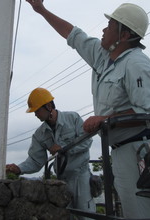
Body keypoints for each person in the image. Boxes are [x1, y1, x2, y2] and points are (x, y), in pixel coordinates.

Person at [25, 0, 150, 219]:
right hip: (118, 150)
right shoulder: (103, 56)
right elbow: (72, 34)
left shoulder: (137, 64)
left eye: (110, 25)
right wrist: (42, 10)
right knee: (130, 210)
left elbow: (149, 112)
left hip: (138, 151)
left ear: (124, 35)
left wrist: (105, 119)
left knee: (142, 213)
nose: (104, 30)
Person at [6, 87, 95, 219]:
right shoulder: (39, 135)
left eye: (37, 111)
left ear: (48, 106)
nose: (35, 114)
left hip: (80, 175)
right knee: (66, 216)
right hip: (61, 180)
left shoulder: (73, 118)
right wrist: (19, 169)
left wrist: (63, 148)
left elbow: (86, 141)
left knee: (86, 215)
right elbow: (36, 161)